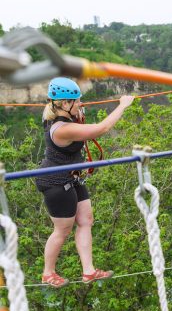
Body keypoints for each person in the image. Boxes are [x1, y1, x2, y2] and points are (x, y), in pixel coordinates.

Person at [36, 77, 134, 288]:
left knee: (86, 220)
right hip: (55, 181)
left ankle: (89, 271)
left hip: (71, 177)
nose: (81, 103)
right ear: (65, 103)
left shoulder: (63, 117)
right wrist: (122, 105)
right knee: (62, 230)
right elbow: (101, 129)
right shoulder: (61, 128)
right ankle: (48, 273)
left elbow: (78, 125)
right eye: (77, 100)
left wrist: (77, 114)